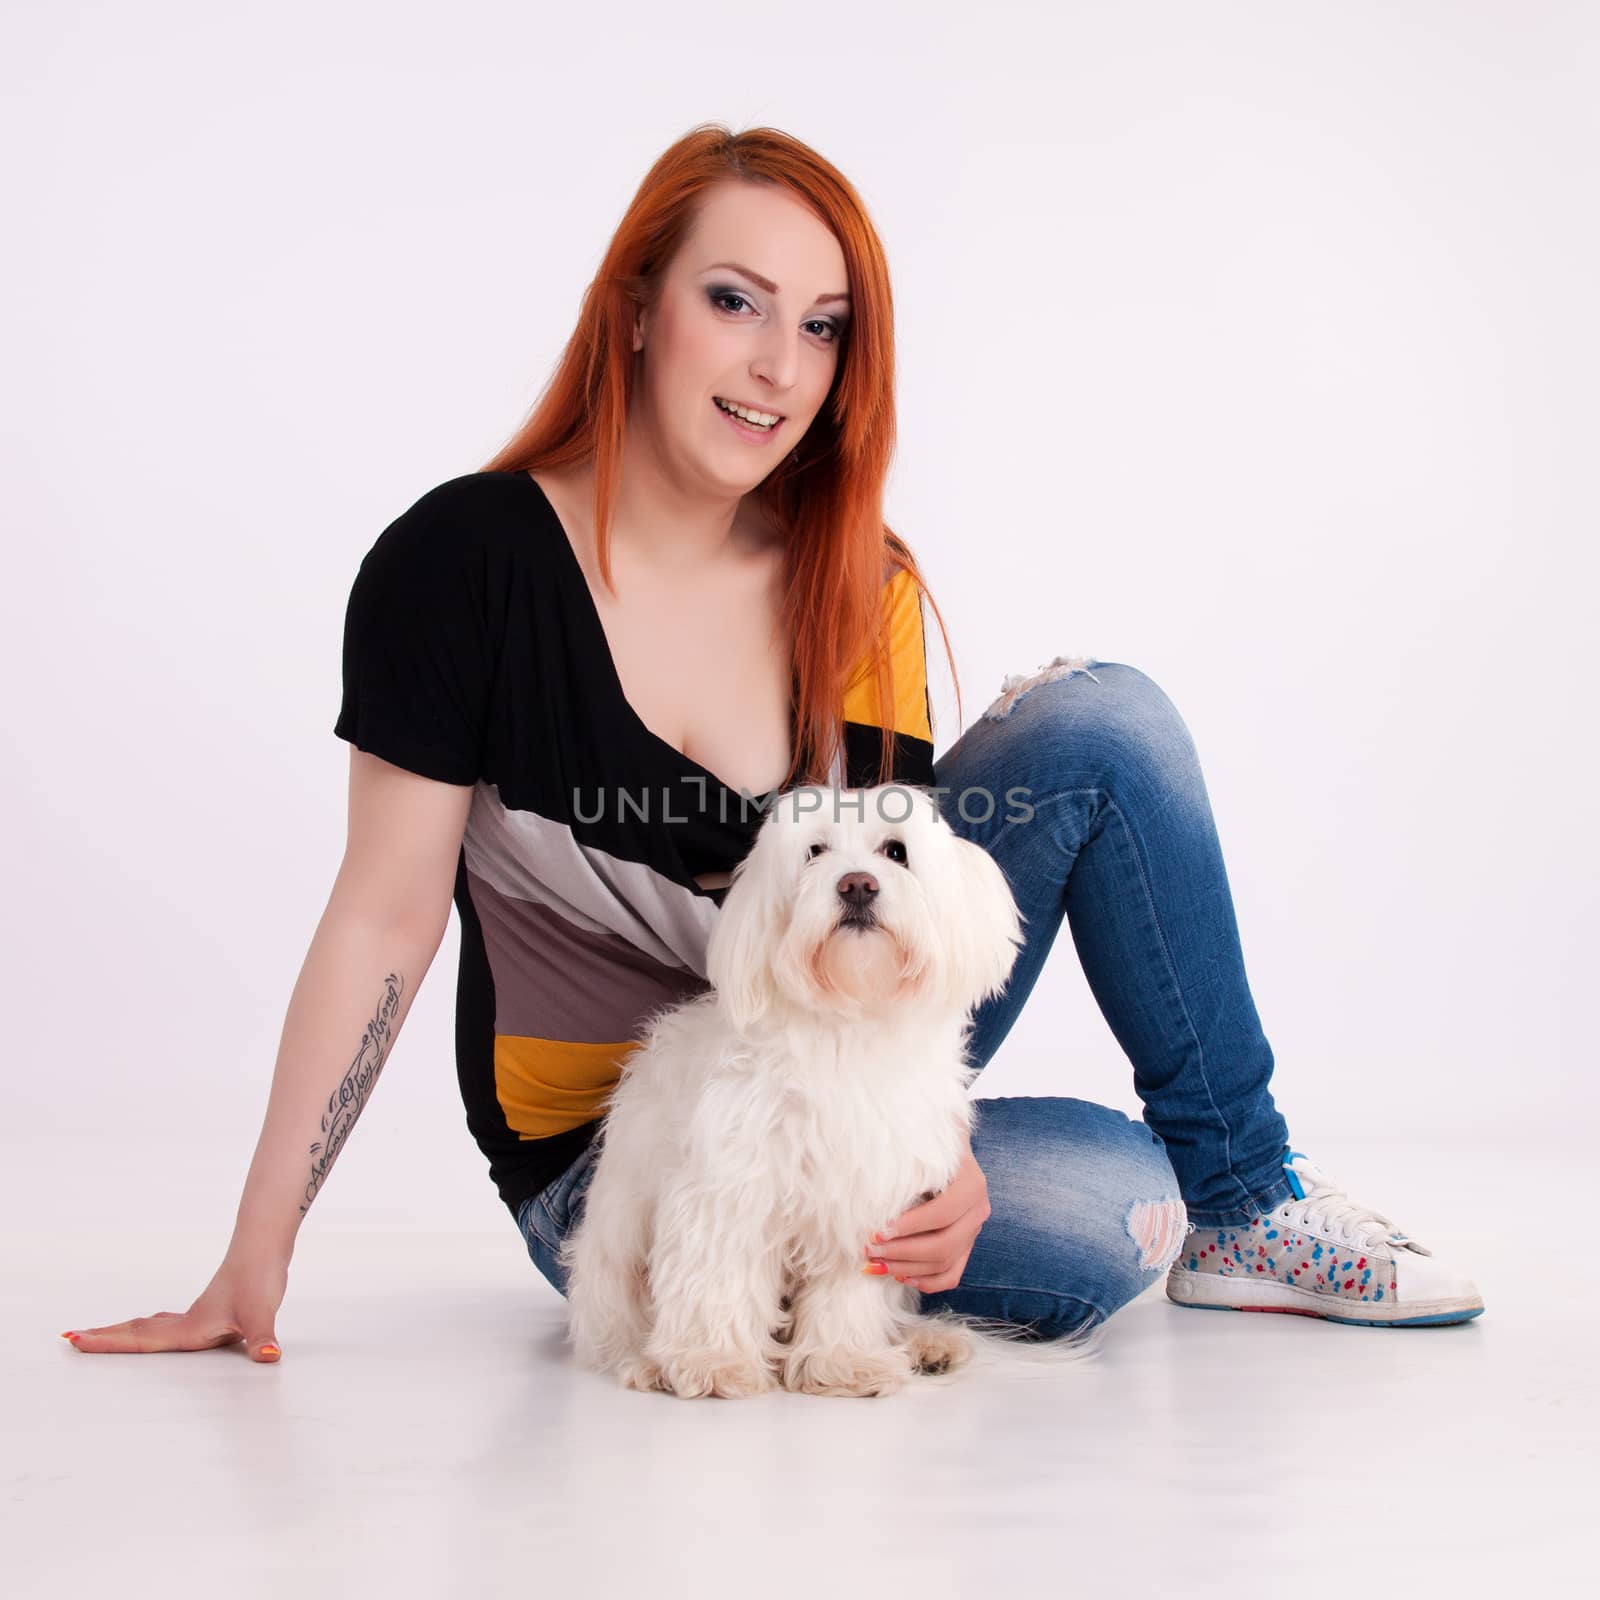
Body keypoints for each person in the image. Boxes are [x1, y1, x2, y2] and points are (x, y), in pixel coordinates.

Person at [61, 124, 1482, 1362]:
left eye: (822, 325)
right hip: (623, 1161)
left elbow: (886, 915)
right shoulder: (464, 567)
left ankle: (1246, 1209)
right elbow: (382, 914)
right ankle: (791, 1281)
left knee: (1106, 744)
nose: (776, 366)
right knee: (1104, 1217)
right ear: (633, 310)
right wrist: (258, 1254)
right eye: (734, 300)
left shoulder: (859, 583)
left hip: (838, 1081)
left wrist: (938, 1154)